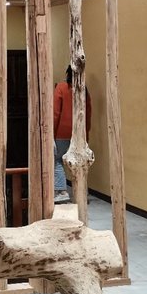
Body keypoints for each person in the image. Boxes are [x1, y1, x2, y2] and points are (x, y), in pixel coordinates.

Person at [53, 65, 92, 204]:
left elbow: (55, 113)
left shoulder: (61, 88)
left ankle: (61, 192)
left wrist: (51, 134)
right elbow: (88, 114)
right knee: (79, 163)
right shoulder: (84, 90)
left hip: (62, 132)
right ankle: (82, 193)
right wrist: (86, 135)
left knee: (57, 160)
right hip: (79, 133)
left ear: (67, 73)